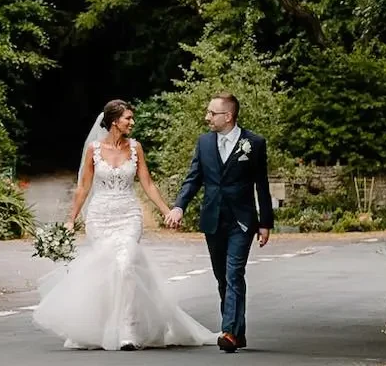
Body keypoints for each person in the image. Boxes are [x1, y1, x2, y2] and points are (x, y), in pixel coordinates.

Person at [32, 99, 218, 351]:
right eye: (128, 118)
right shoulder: (94, 150)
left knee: (126, 264)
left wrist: (168, 211)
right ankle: (102, 326)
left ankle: (128, 329)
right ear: (113, 121)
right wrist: (70, 219)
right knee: (109, 271)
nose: (132, 122)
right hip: (100, 217)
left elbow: (147, 183)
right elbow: (83, 187)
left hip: (129, 215)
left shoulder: (135, 148)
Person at [165, 93, 274, 353]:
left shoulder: (254, 143)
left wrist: (265, 222)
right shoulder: (204, 143)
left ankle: (228, 332)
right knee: (222, 276)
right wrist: (179, 206)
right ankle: (238, 331)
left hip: (242, 220)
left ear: (228, 116)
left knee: (234, 272)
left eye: (212, 113)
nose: (207, 117)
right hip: (213, 218)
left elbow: (262, 184)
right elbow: (193, 178)